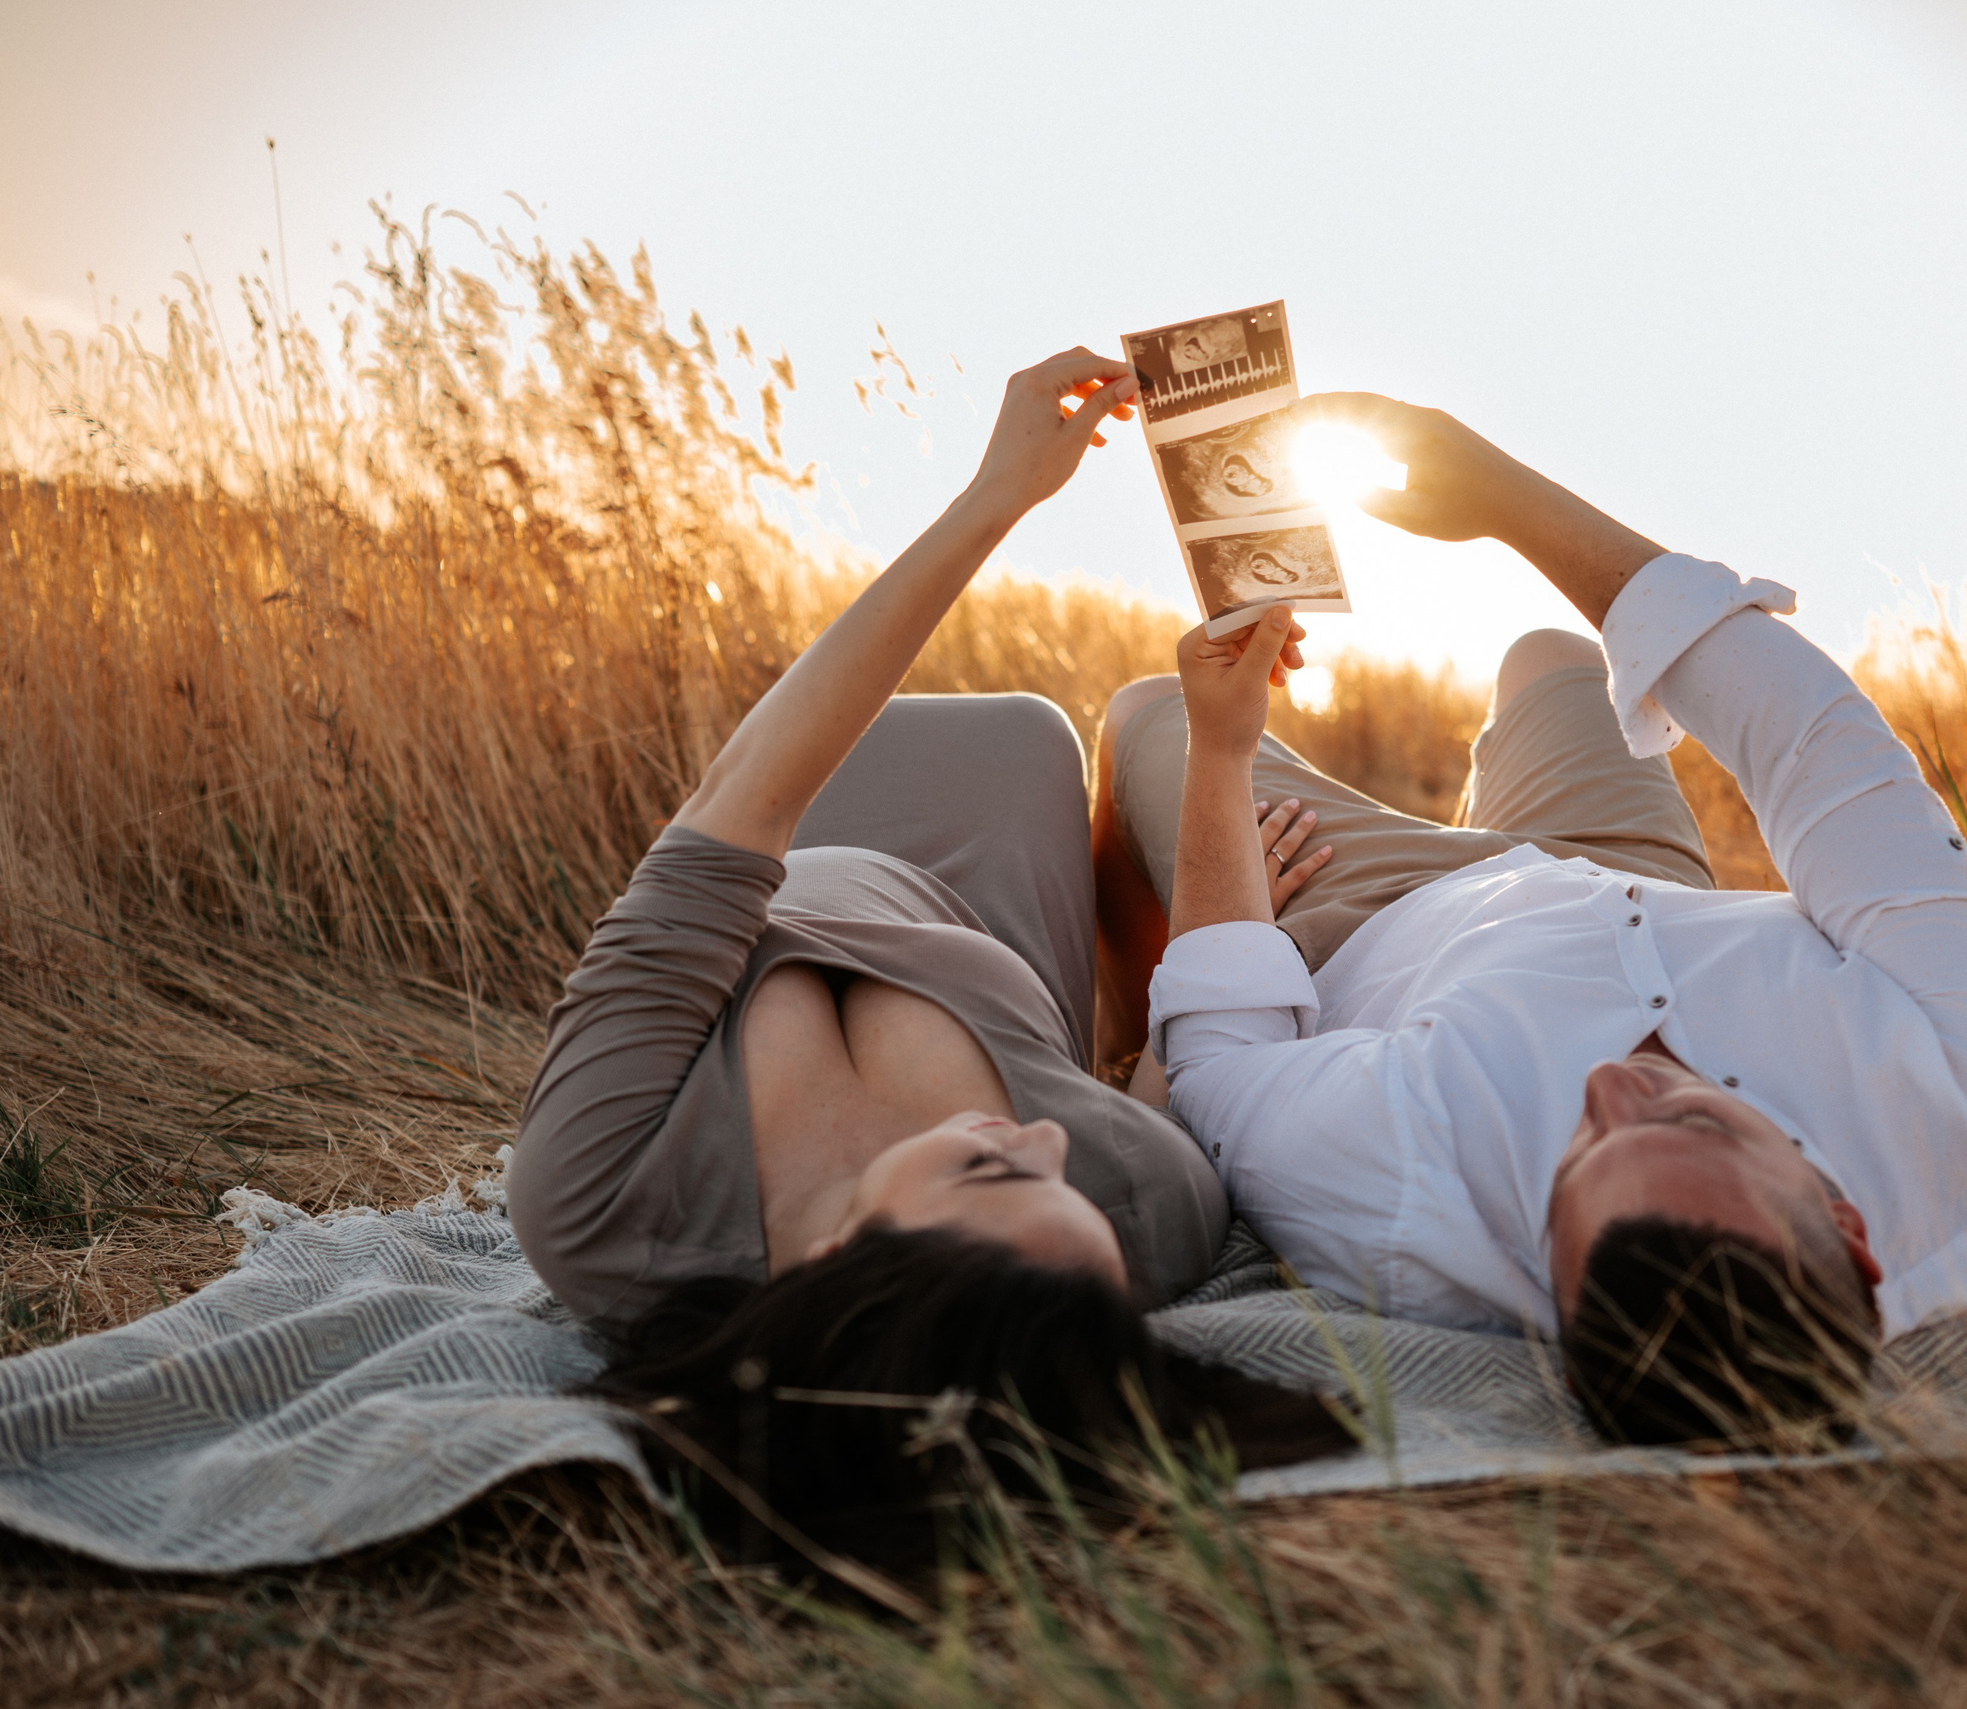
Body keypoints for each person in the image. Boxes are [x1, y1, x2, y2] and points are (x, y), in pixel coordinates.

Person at [1093, 392, 1967, 1446]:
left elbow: (1220, 1053)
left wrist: (1223, 754)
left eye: (1574, 1154)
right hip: (1633, 880)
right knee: (1553, 655)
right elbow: (1823, 753)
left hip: (1374, 910)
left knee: (1145, 713)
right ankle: (1495, 784)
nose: (1612, 1083)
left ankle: (1128, 1006)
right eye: (1689, 1117)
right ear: (1849, 1227)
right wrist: (1502, 497)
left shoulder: (1407, 1207)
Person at [507, 349, 1347, 1571]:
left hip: (796, 818)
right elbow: (1187, 1038)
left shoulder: (598, 1204)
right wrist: (1239, 838)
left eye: (1003, 1178)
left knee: (859, 728)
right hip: (1004, 899)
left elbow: (739, 804)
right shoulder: (1145, 1213)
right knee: (1034, 739)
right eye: (1063, 1183)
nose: (1051, 1147)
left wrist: (997, 493)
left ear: (853, 1266)